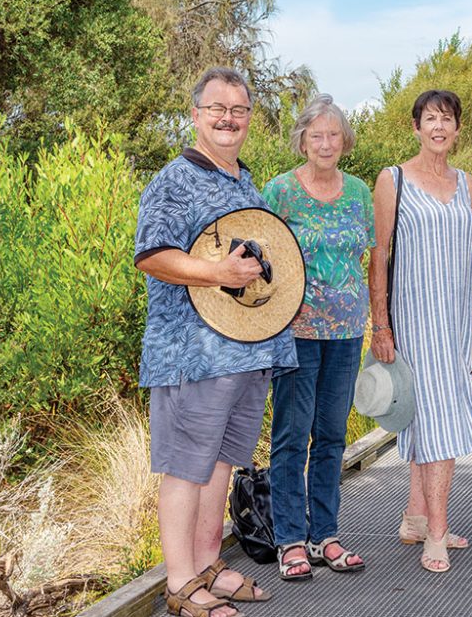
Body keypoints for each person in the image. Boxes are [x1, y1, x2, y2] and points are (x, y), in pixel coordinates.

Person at [134, 67, 298, 617]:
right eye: (217, 109)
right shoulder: (173, 180)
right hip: (191, 356)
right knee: (186, 467)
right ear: (196, 114)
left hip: (246, 355)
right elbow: (153, 256)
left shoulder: (243, 182)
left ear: (249, 118)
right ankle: (180, 584)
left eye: (239, 110)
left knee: (222, 463)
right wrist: (216, 272)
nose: (228, 119)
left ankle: (207, 564)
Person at [367, 89, 472, 574]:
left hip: (457, 322)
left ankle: (415, 517)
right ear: (416, 127)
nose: (439, 127)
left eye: (447, 119)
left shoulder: (466, 182)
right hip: (414, 321)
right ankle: (438, 535)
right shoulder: (393, 179)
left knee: (430, 419)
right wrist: (380, 324)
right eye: (430, 119)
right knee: (436, 422)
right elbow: (379, 254)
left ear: (458, 129)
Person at [262, 95, 372, 580]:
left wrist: (379, 322)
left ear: (344, 141)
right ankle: (289, 540)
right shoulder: (280, 192)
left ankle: (325, 534)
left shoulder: (359, 193)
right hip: (296, 333)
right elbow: (260, 259)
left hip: (347, 332)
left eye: (333, 135)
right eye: (316, 136)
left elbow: (369, 258)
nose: (326, 143)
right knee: (291, 437)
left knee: (330, 436)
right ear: (302, 141)